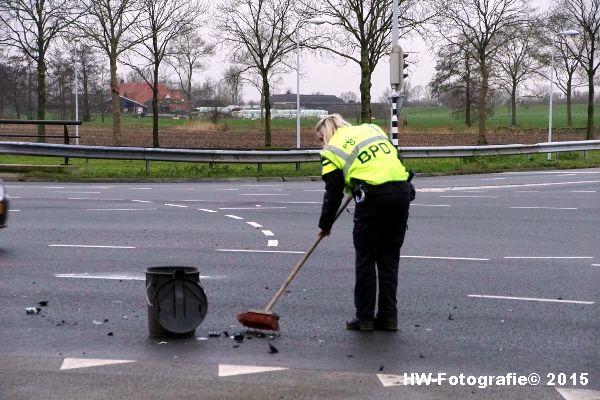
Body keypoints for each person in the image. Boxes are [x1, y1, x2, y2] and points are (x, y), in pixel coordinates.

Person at [315, 114, 412, 331]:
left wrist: (325, 225)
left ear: (325, 134)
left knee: (366, 259)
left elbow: (333, 192)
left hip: (372, 197)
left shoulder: (331, 150)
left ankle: (365, 318)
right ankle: (388, 317)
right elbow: (395, 159)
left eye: (320, 140)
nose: (321, 144)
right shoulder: (372, 129)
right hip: (401, 191)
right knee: (389, 259)